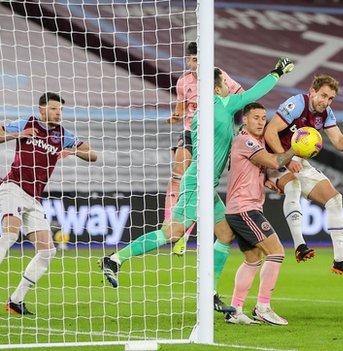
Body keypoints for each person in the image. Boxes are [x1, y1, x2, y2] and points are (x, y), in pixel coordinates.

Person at [99, 58, 295, 314]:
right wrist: (277, 72)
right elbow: (254, 94)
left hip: (207, 185)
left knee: (225, 233)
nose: (228, 85)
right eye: (224, 82)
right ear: (216, 89)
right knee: (173, 233)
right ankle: (115, 260)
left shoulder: (205, 111)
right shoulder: (222, 104)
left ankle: (210, 293)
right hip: (198, 181)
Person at [0, 92, 97, 315]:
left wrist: (73, 151)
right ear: (42, 110)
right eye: (54, 109)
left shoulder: (63, 134)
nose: (58, 113)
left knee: (48, 251)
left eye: (60, 110)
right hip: (14, 187)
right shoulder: (27, 122)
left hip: (34, 198)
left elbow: (93, 154)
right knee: (10, 234)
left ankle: (15, 300)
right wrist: (19, 134)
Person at [263, 74, 343, 278]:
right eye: (323, 95)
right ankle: (300, 245)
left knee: (335, 199)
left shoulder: (326, 113)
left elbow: (338, 141)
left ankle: (340, 260)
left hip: (297, 161)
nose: (326, 101)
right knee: (293, 187)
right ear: (312, 91)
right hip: (273, 157)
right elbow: (270, 132)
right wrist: (286, 159)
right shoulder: (297, 103)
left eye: (330, 98)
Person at [224, 102, 298, 325]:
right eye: (255, 117)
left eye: (263, 118)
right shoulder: (244, 140)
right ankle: (263, 307)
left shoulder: (254, 143)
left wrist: (265, 181)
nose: (260, 121)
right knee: (277, 252)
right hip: (245, 208)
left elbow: (252, 170)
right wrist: (297, 147)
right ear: (244, 120)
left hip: (240, 208)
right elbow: (273, 161)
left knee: (253, 259)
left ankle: (235, 310)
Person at [167, 42, 243, 256]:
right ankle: (174, 226)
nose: (192, 64)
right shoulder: (183, 82)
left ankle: (185, 230)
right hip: (191, 131)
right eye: (190, 59)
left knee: (202, 184)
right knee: (178, 174)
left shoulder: (219, 75)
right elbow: (181, 109)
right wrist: (175, 116)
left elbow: (241, 95)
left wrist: (239, 123)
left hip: (214, 135)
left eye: (197, 59)